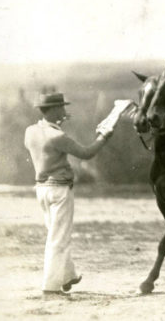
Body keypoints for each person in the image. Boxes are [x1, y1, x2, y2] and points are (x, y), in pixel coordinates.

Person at [23, 92, 114, 297]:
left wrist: (56, 124)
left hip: (41, 189)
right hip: (59, 190)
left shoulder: (30, 131)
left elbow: (43, 147)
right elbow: (87, 152)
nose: (65, 111)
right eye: (62, 108)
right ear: (54, 109)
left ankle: (67, 275)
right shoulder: (57, 136)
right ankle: (51, 286)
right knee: (59, 239)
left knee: (55, 233)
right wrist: (104, 136)